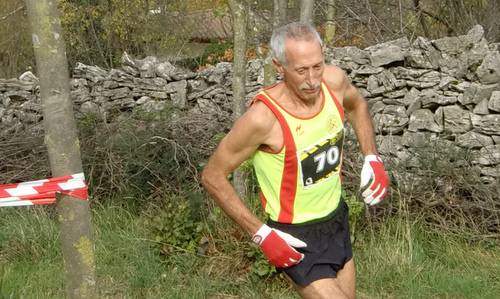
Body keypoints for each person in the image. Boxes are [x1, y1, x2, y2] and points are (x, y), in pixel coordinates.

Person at [201, 21, 389, 299]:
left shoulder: (334, 82)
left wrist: (372, 157)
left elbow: (358, 105)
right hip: (296, 237)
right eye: (301, 70)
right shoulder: (263, 119)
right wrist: (261, 234)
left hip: (336, 219)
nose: (312, 80)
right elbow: (212, 176)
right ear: (280, 66)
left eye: (317, 66)